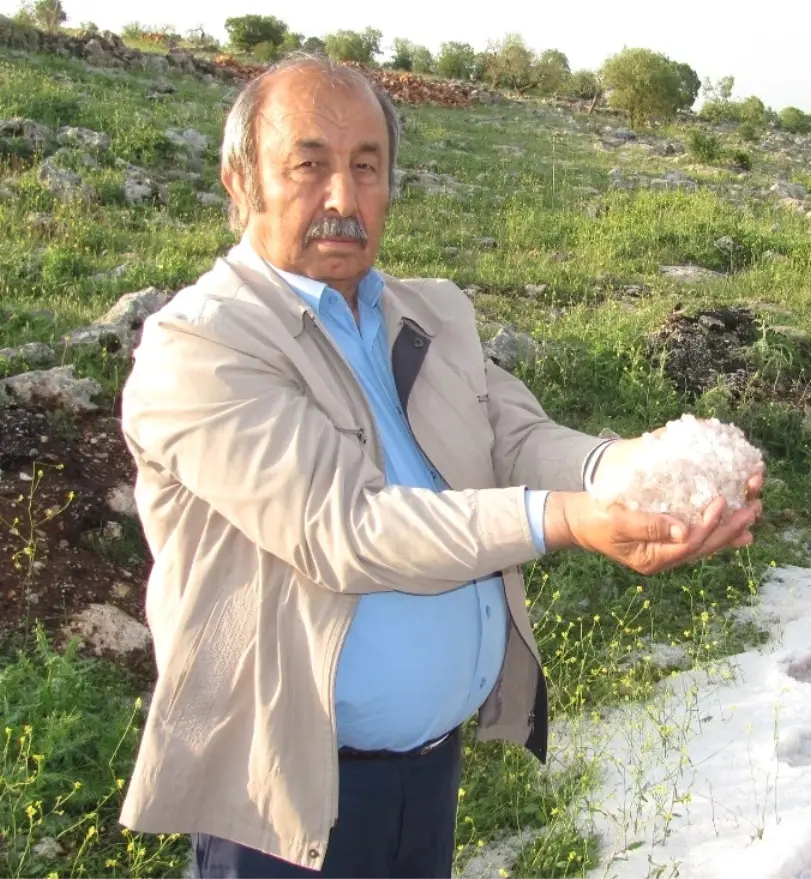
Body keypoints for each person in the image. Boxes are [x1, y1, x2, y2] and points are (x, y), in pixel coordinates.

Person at [116, 54, 763, 878]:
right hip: (285, 802)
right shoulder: (200, 346)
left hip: (429, 775)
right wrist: (563, 519)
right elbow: (345, 525)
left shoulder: (430, 311)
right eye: (310, 166)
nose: (343, 199)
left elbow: (515, 436)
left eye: (367, 166)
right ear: (240, 180)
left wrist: (629, 470)